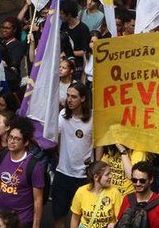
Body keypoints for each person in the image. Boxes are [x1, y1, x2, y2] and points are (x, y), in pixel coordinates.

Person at [52, 82, 93, 228]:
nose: (69, 99)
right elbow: (55, 138)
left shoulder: (93, 118)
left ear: (83, 98)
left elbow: (98, 144)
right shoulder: (63, 114)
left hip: (84, 176)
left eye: (74, 97)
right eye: (68, 95)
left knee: (82, 218)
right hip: (63, 173)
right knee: (59, 215)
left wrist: (96, 166)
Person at [0, 117, 45, 228]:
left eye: (17, 139)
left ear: (26, 142)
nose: (12, 141)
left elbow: (38, 200)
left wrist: (35, 226)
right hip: (2, 220)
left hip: (22, 222)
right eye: (10, 137)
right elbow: (0, 185)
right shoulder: (3, 156)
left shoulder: (35, 165)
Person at [117, 161, 159, 228]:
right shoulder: (127, 198)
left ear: (151, 180)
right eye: (134, 180)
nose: (138, 184)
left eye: (142, 181)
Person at [69, 161, 123, 228]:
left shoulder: (115, 193)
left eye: (110, 173)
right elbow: (75, 218)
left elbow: (120, 218)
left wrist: (114, 224)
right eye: (107, 174)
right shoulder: (81, 192)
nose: (111, 176)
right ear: (96, 177)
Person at [60, 0, 90, 76]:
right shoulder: (63, 26)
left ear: (69, 14)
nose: (60, 16)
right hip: (63, 65)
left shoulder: (83, 29)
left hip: (77, 67)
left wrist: (68, 53)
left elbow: (84, 51)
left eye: (62, 13)